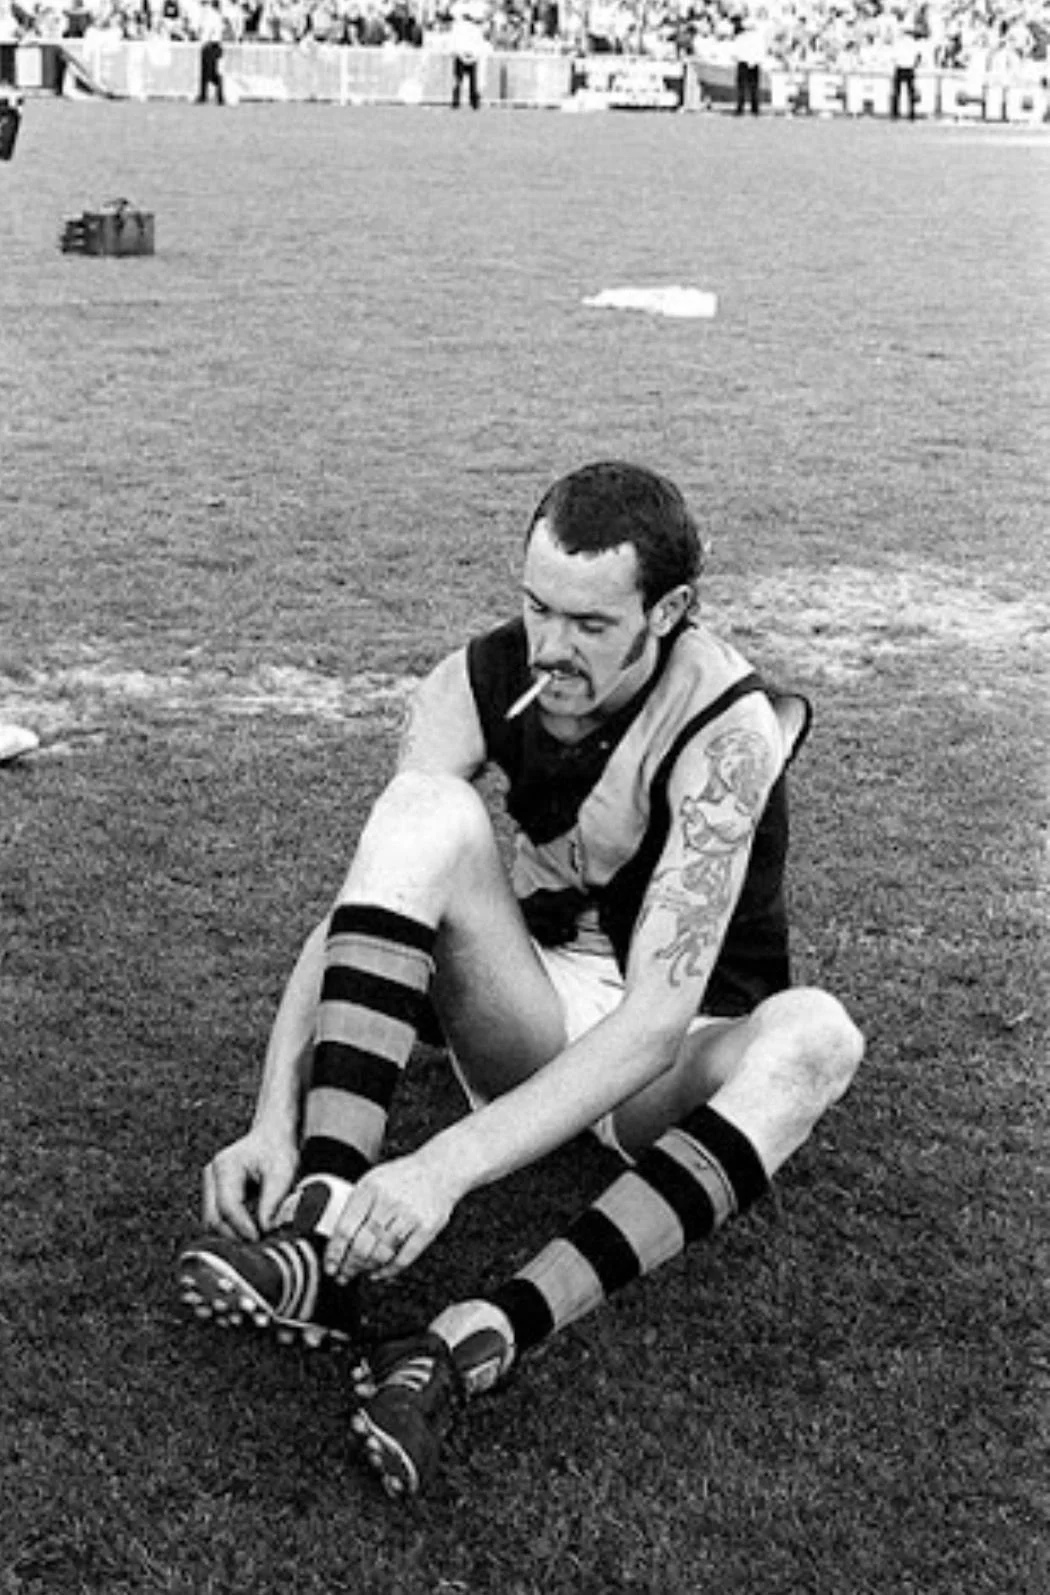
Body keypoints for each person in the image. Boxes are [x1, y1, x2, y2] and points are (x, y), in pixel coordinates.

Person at [177, 461, 864, 1499]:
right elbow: (371, 895)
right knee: (423, 807)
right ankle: (320, 1229)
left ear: (668, 610)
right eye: (538, 606)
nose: (551, 645)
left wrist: (441, 1168)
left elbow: (653, 1023)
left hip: (674, 1056)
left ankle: (476, 1334)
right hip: (529, 1012)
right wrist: (273, 1116)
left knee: (817, 1036)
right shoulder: (478, 679)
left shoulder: (729, 730)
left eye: (590, 623)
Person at [448, 2, 487, 110]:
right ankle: (461, 101)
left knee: (469, 81)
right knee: (461, 80)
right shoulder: (461, 27)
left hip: (467, 54)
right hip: (464, 54)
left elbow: (478, 42)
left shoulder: (472, 28)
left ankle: (471, 101)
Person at [733, 8, 766, 115]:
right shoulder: (753, 37)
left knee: (745, 87)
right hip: (750, 61)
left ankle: (744, 108)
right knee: (751, 87)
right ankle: (752, 108)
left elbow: (738, 50)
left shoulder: (745, 37)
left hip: (746, 61)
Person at [196, 1, 225, 106]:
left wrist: (204, 42)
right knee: (210, 72)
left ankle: (210, 95)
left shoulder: (210, 15)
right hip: (215, 45)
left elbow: (208, 30)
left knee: (209, 72)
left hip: (211, 45)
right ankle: (212, 96)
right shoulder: (216, 15)